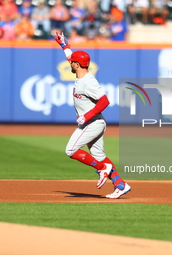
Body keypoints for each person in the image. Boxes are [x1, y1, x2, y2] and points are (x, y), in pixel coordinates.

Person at [54, 32, 131, 199]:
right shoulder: (80, 73)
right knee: (99, 156)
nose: (70, 63)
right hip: (93, 122)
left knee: (71, 149)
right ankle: (121, 185)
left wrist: (86, 116)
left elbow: (104, 101)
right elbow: (73, 57)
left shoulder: (88, 82)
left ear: (77, 65)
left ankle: (102, 168)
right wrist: (64, 46)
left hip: (92, 122)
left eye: (72, 62)